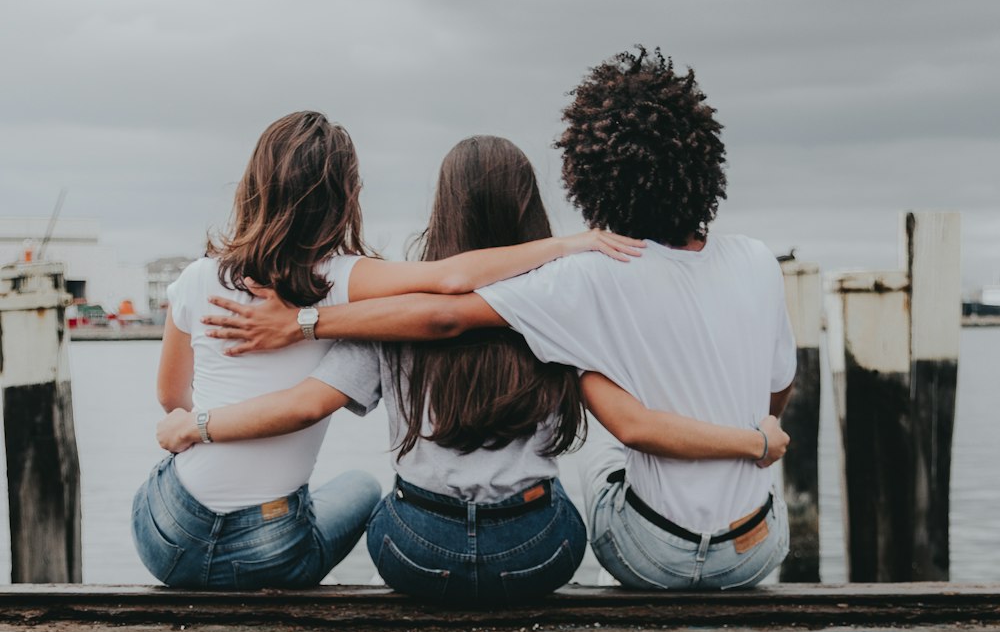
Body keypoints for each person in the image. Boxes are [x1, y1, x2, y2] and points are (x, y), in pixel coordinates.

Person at [199, 55, 795, 592]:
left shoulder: (405, 314)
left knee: (382, 490)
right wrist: (755, 438)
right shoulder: (731, 265)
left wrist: (298, 330)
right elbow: (765, 393)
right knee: (599, 457)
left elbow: (436, 317)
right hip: (547, 553)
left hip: (419, 554)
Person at [133, 113, 646, 591]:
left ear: (251, 185)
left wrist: (196, 425)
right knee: (360, 486)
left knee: (353, 489)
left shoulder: (200, 278)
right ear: (348, 196)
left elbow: (170, 397)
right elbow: (451, 282)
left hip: (177, 530)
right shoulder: (351, 282)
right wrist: (564, 246)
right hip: (523, 553)